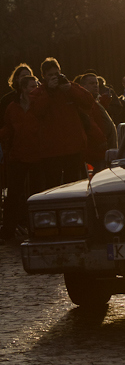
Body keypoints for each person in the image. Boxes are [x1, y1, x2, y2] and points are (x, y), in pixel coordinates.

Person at [30, 58, 94, 189]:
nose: (54, 77)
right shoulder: (39, 92)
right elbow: (36, 112)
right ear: (43, 76)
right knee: (52, 187)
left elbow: (89, 101)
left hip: (73, 148)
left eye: (56, 74)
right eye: (50, 75)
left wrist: (70, 89)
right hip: (52, 151)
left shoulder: (68, 87)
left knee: (73, 186)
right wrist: (49, 92)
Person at [0, 75, 43, 239]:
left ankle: (39, 228)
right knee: (13, 194)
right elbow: (9, 129)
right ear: (23, 89)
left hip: (38, 156)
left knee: (37, 194)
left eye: (36, 85)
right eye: (32, 86)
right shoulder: (12, 107)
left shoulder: (39, 105)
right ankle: (8, 230)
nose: (35, 89)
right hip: (19, 155)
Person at [79, 73, 117, 173]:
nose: (96, 85)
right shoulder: (85, 103)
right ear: (83, 86)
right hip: (96, 154)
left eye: (96, 83)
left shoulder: (94, 102)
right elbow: (90, 125)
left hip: (104, 152)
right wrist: (102, 141)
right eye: (92, 83)